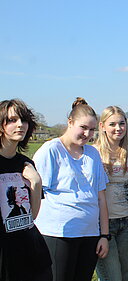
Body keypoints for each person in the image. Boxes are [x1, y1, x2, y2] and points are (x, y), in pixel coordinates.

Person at [33, 97, 109, 281]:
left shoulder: (92, 153)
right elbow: (35, 193)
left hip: (89, 233)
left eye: (91, 130)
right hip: (58, 233)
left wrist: (105, 235)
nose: (87, 134)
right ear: (70, 122)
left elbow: (100, 197)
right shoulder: (50, 150)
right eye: (83, 127)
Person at [0, 99, 52, 280]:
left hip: (30, 250)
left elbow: (33, 214)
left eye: (23, 120)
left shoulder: (26, 164)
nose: (20, 125)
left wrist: (36, 182)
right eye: (12, 120)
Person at [94, 106, 128, 281]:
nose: (118, 128)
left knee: (127, 274)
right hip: (102, 224)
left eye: (122, 123)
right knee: (112, 277)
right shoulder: (93, 153)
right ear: (102, 126)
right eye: (112, 124)